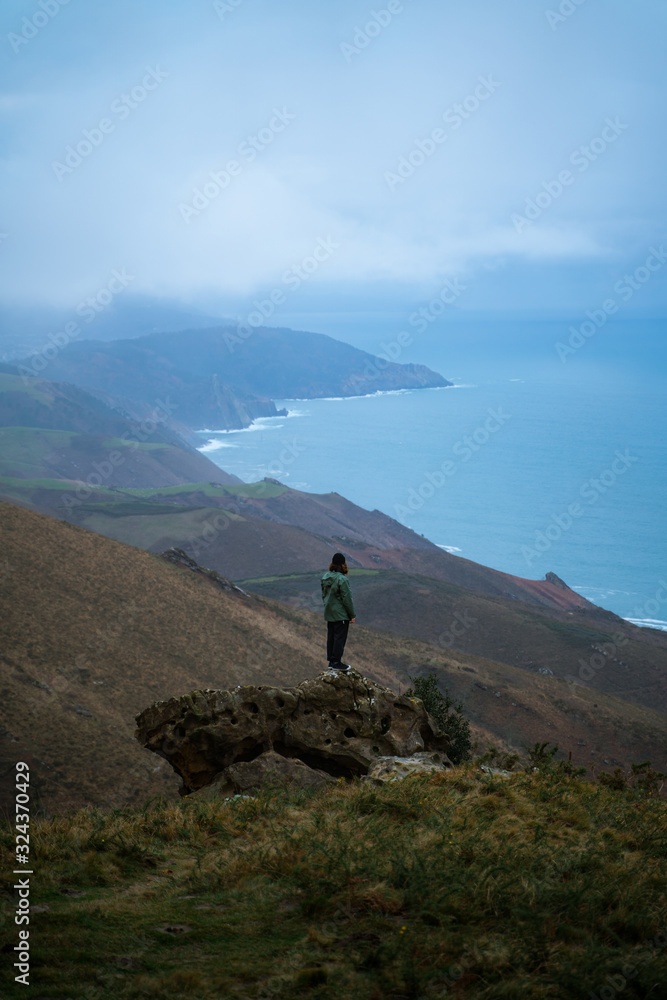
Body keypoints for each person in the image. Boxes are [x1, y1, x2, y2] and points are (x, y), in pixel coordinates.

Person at [321, 552, 356, 670]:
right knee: (339, 638)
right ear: (343, 564)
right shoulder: (342, 579)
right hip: (341, 614)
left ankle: (331, 661)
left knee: (331, 637)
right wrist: (352, 614)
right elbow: (347, 599)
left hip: (329, 612)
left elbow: (324, 595)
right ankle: (337, 662)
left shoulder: (325, 577)